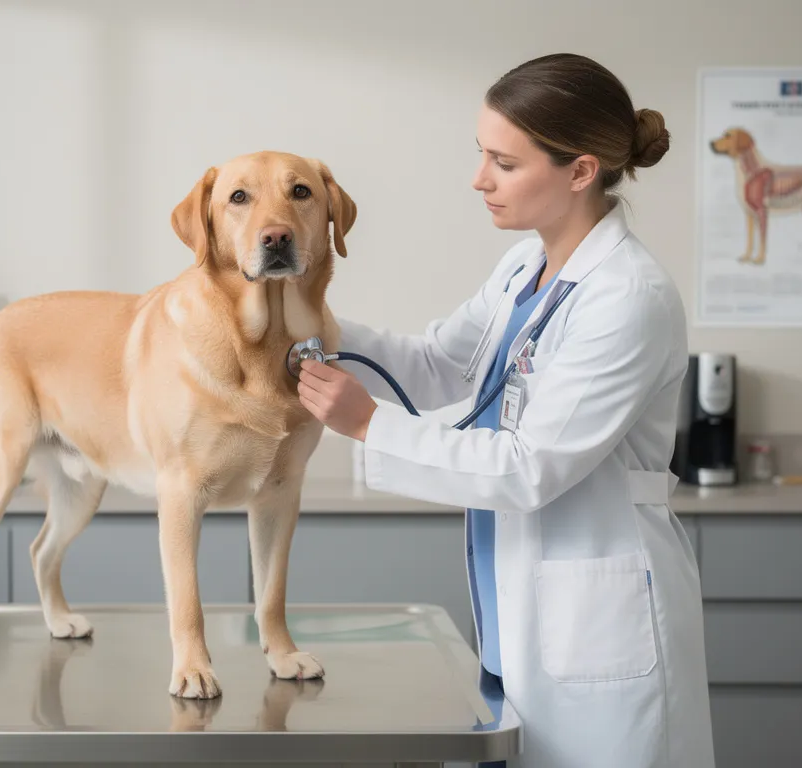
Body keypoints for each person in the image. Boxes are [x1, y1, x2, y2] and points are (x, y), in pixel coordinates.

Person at [296, 53, 715, 768]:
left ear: (580, 171)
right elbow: (438, 363)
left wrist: (367, 424)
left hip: (599, 630)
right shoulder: (525, 267)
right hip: (518, 615)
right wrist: (306, 321)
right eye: (482, 154)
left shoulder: (627, 297)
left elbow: (528, 470)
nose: (479, 179)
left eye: (504, 162)